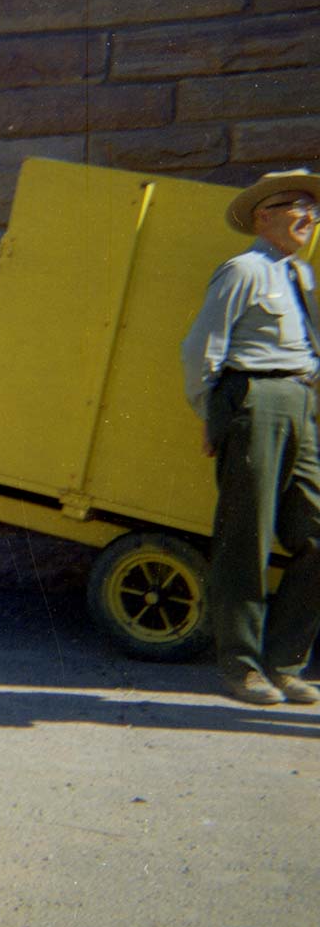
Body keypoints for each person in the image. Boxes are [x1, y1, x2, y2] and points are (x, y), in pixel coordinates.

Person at [180, 170, 320, 705]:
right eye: (297, 206)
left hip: (301, 403)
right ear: (264, 215)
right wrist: (214, 416)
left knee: (315, 534)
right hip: (254, 401)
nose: (309, 217)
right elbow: (201, 348)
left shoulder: (300, 275)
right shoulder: (244, 270)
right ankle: (242, 668)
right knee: (247, 540)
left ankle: (285, 662)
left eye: (314, 208)